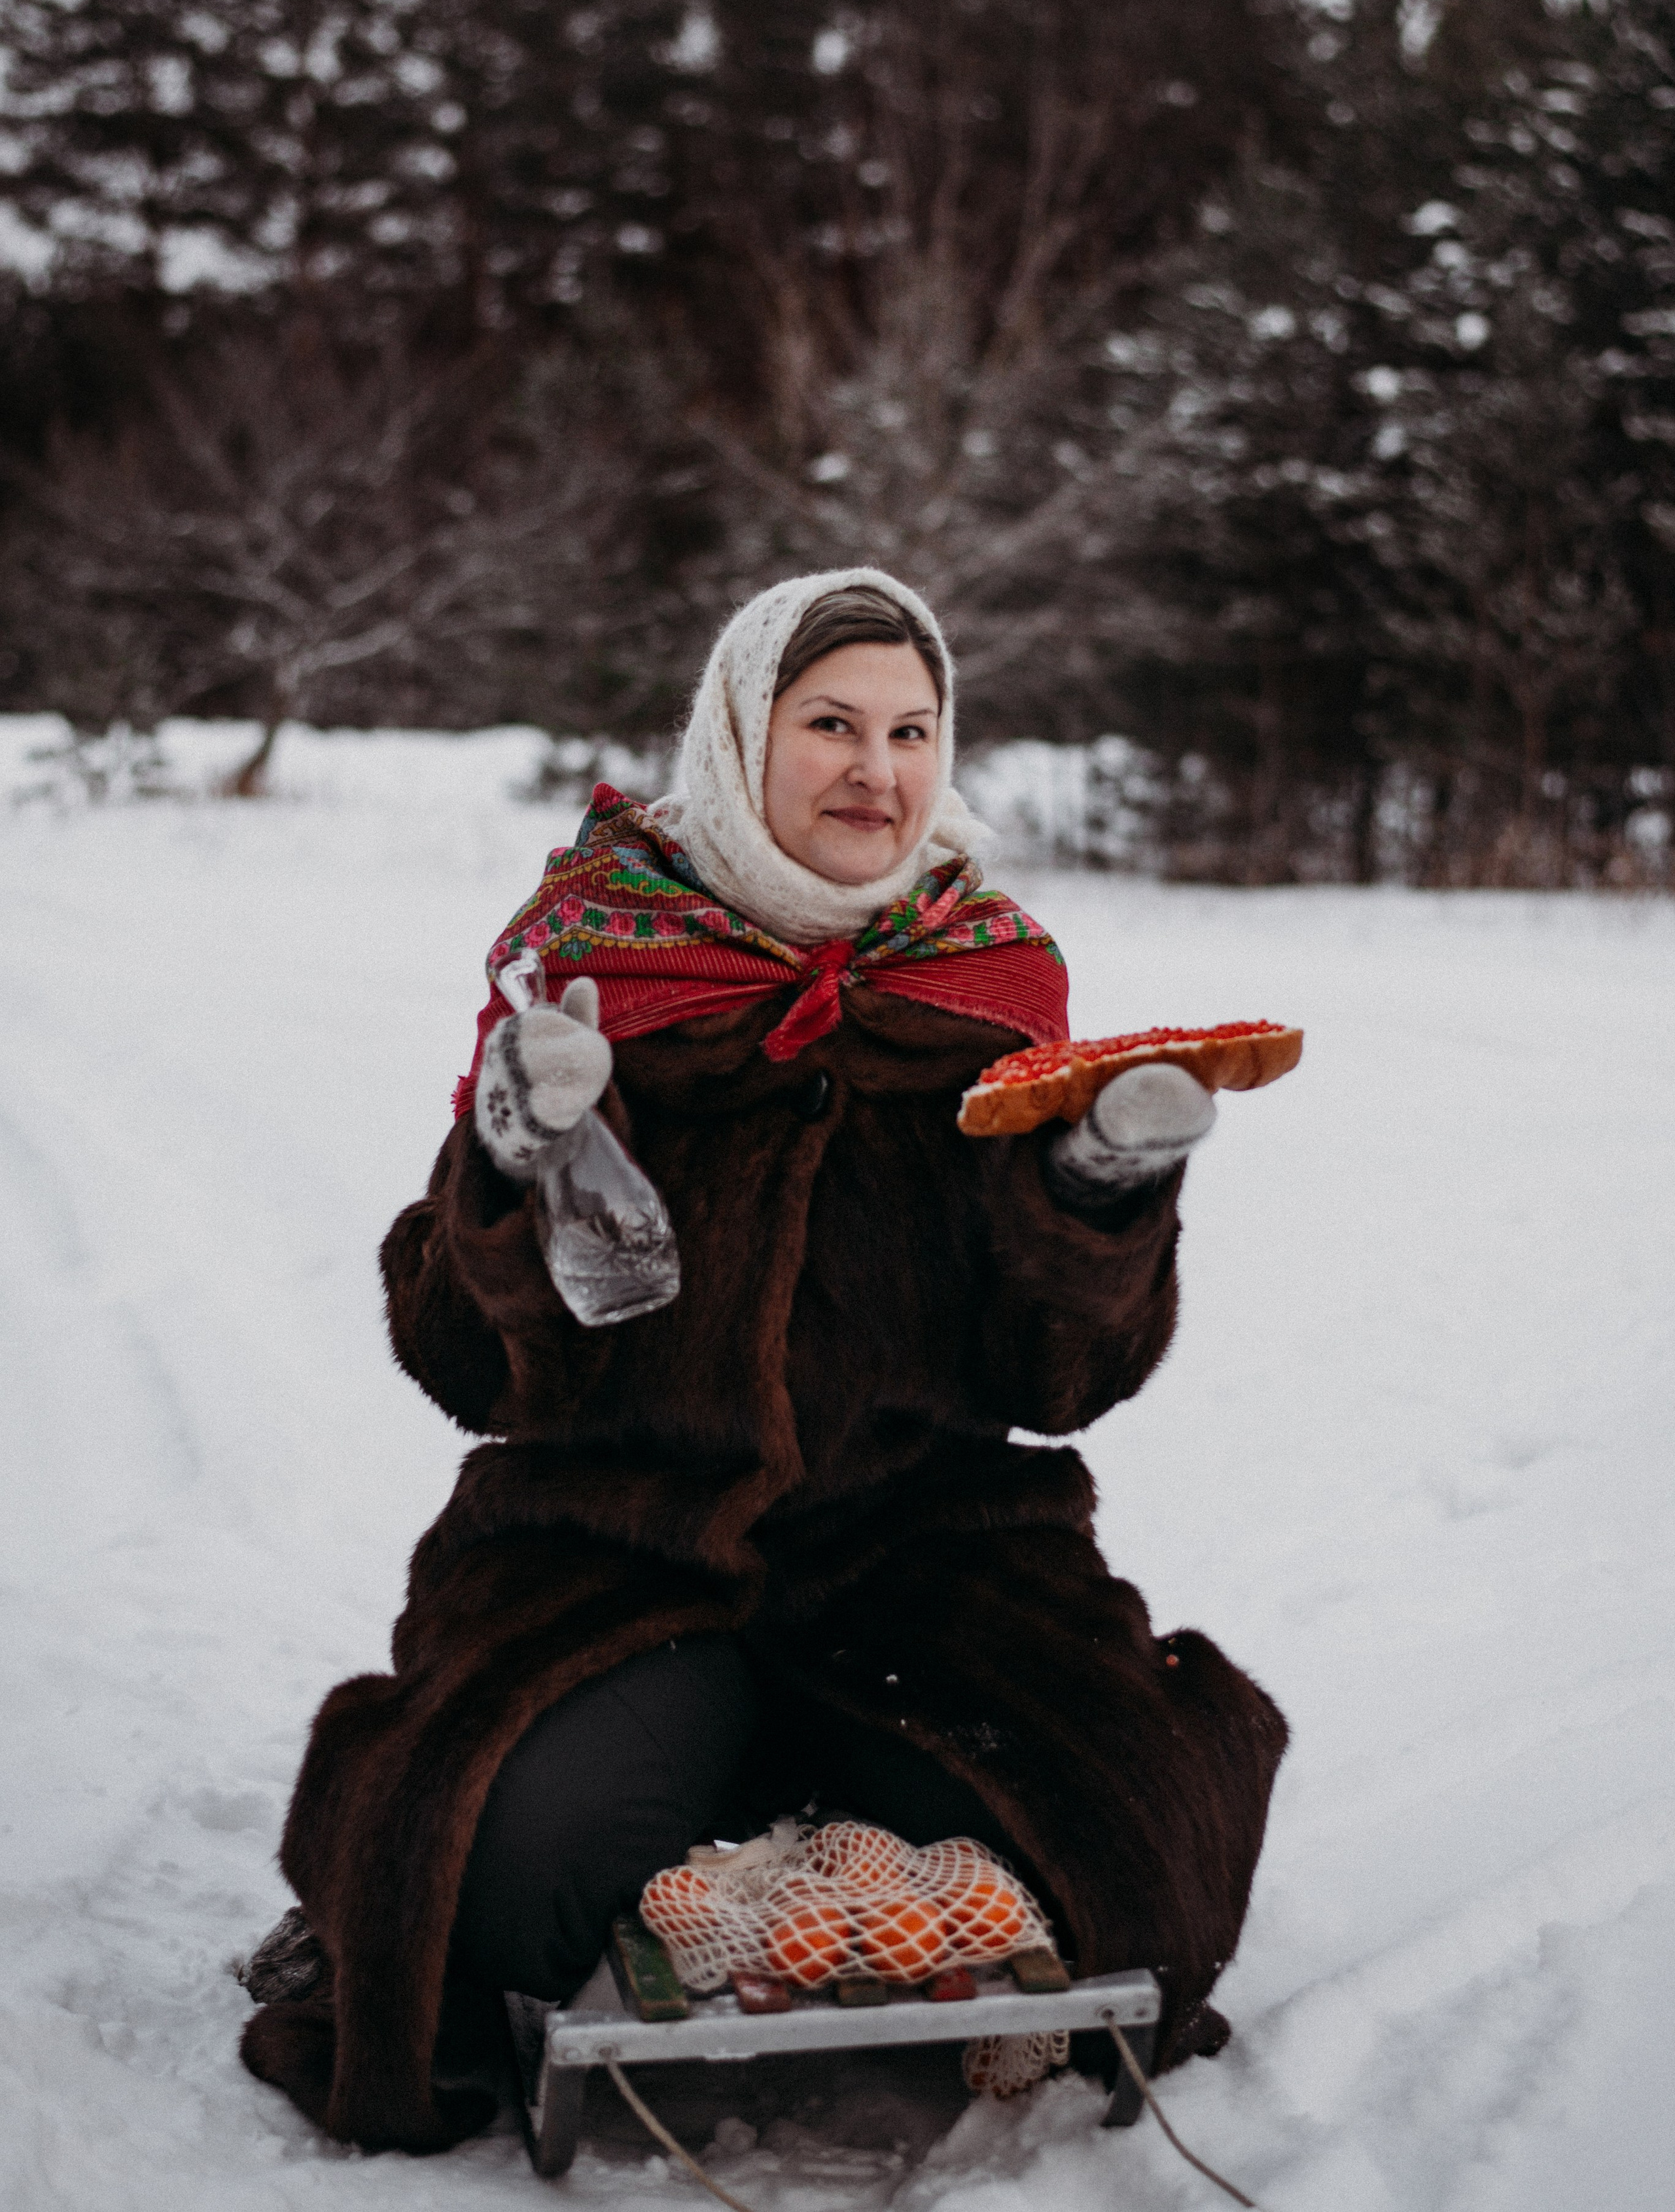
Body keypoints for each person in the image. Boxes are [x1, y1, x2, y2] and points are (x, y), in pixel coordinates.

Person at [241, 568, 1286, 2154]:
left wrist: (1095, 1201)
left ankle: (810, 1804)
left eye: (912, 730)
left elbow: (1063, 1379)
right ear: (738, 736)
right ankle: (647, 1801)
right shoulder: (601, 964)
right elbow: (466, 1362)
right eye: (831, 724)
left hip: (922, 1558)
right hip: (618, 1558)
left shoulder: (987, 989)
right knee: (494, 1878)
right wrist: (510, 1174)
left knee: (1130, 1856)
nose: (877, 769)